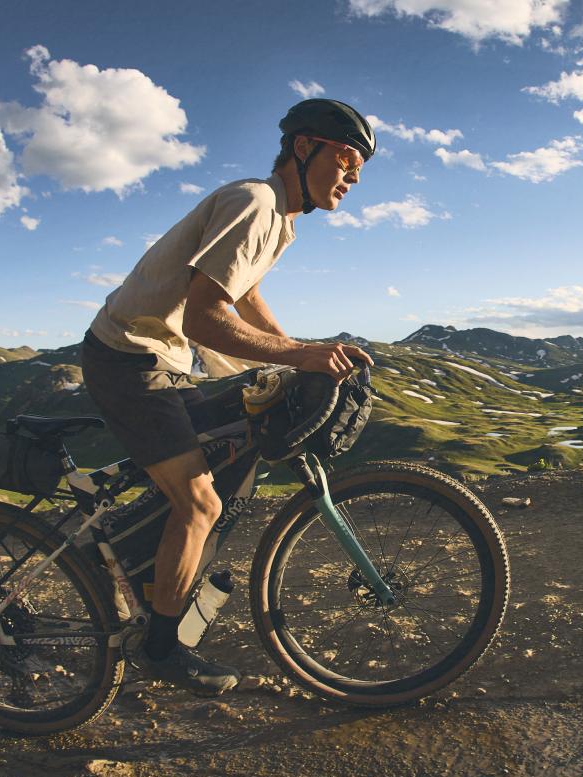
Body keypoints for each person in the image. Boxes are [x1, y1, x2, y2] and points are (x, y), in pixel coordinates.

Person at [79, 99, 376, 694]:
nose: (351, 178)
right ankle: (161, 649)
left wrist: (297, 352)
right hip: (128, 359)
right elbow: (204, 318)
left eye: (359, 171)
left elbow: (244, 295)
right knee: (201, 506)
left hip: (162, 360)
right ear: (303, 148)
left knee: (229, 448)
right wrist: (299, 356)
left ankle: (121, 548)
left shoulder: (278, 218)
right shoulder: (255, 202)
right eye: (346, 159)